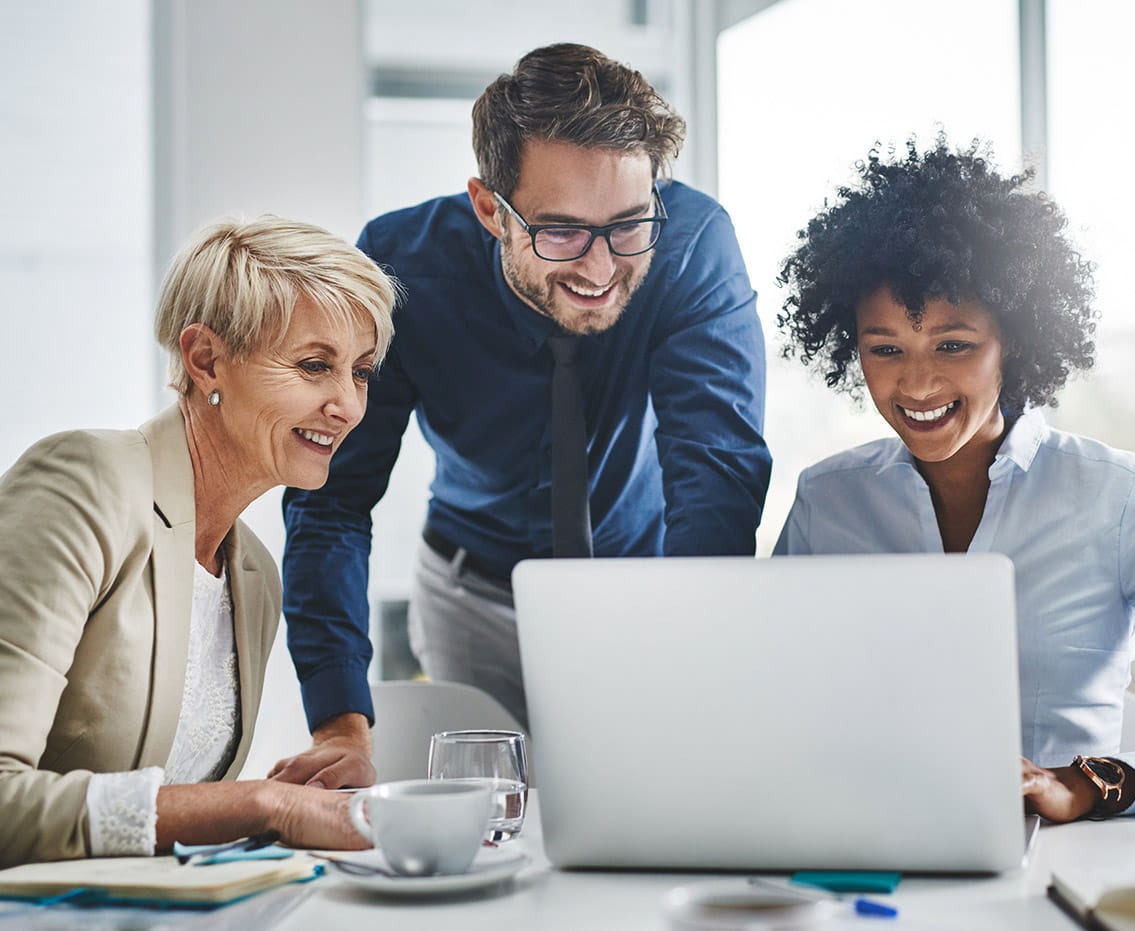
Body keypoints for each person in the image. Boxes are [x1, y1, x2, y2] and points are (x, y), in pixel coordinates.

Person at [771, 138, 1135, 821]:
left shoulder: (1121, 497)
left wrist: (1090, 783)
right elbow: (765, 706)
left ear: (1016, 341)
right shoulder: (826, 501)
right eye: (885, 349)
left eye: (953, 344)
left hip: (1060, 862)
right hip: (863, 843)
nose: (916, 383)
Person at [277, 42, 770, 767]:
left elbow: (715, 473)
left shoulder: (692, 243)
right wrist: (339, 724)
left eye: (628, 224)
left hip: (646, 587)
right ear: (490, 209)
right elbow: (332, 500)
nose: (600, 267)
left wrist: (696, 660)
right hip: (471, 595)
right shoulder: (402, 267)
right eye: (561, 230)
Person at [0, 216, 397, 866]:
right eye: (314, 365)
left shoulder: (253, 575)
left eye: (360, 372)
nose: (349, 406)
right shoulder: (83, 484)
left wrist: (292, 801)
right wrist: (261, 803)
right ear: (205, 359)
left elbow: (171, 818)